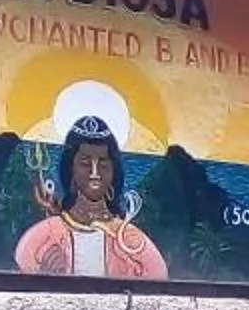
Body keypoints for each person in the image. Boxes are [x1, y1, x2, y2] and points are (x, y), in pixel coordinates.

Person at [15, 114, 168, 279]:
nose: (95, 174)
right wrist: (47, 278)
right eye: (85, 163)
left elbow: (159, 289)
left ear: (114, 171)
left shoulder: (132, 242)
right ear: (71, 169)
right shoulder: (42, 237)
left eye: (103, 164)